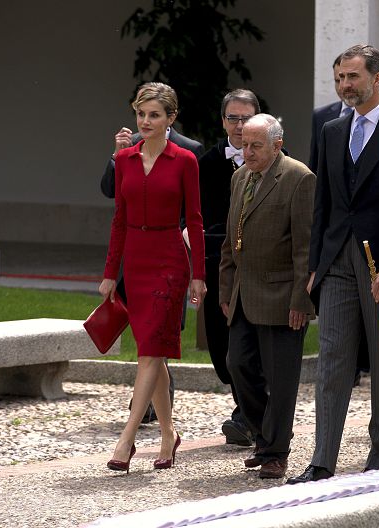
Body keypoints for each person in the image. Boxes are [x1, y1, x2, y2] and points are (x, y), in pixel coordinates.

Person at [287, 44, 379, 484]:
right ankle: (321, 461)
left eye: (352, 76)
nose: (345, 85)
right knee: (332, 361)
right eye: (340, 78)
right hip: (336, 261)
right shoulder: (330, 129)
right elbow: (323, 203)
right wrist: (315, 264)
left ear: (377, 78)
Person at [101, 82, 206, 472]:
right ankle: (168, 433)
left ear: (170, 118)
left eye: (154, 115)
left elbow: (195, 220)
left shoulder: (185, 160)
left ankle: (126, 439)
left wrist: (198, 275)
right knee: (153, 351)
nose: (145, 121)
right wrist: (110, 274)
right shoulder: (124, 159)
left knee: (148, 352)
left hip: (170, 263)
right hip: (135, 262)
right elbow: (119, 220)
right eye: (141, 114)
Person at [219, 114, 315, 479]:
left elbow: (305, 248)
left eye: (256, 146)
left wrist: (301, 300)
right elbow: (231, 239)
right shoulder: (239, 177)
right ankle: (266, 435)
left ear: (277, 145)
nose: (247, 152)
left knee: (281, 378)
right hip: (243, 294)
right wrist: (226, 289)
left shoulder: (298, 178)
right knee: (238, 365)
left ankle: (275, 451)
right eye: (244, 144)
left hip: (282, 296)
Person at [198, 89, 260, 446]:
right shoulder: (206, 163)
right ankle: (245, 409)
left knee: (250, 344)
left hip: (260, 267)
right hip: (217, 265)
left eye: (245, 118)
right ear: (223, 121)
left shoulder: (277, 160)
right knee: (222, 345)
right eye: (232, 118)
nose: (239, 125)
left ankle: (247, 416)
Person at [309, 55, 354, 173]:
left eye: (348, 79)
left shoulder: (373, 116)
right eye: (337, 80)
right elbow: (315, 165)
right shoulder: (320, 116)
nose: (342, 86)